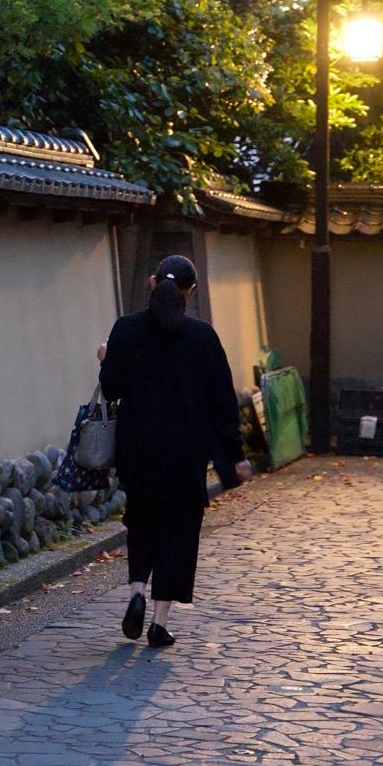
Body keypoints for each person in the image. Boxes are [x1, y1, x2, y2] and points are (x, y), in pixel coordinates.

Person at [97, 254, 249, 649]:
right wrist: (234, 455)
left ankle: (135, 593)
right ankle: (159, 622)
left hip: (137, 450)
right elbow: (222, 403)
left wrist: (105, 358)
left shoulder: (125, 331)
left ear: (151, 283)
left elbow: (111, 388)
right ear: (190, 290)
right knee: (179, 534)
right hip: (185, 455)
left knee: (142, 523)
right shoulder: (202, 337)